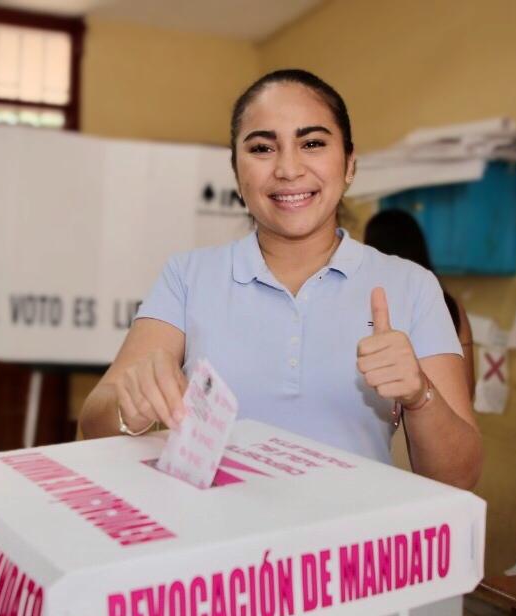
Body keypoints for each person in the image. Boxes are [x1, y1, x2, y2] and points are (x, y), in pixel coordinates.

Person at [80, 69, 481, 490]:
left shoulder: (412, 285)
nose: (288, 169)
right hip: (212, 544)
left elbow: (460, 477)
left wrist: (419, 395)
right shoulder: (187, 276)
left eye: (312, 143)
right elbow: (96, 420)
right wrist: (134, 406)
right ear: (237, 174)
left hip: (351, 544)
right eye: (262, 148)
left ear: (349, 164)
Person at [364, 209, 476, 399]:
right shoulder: (449, 304)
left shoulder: (372, 305)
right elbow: (466, 390)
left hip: (391, 424)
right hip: (440, 419)